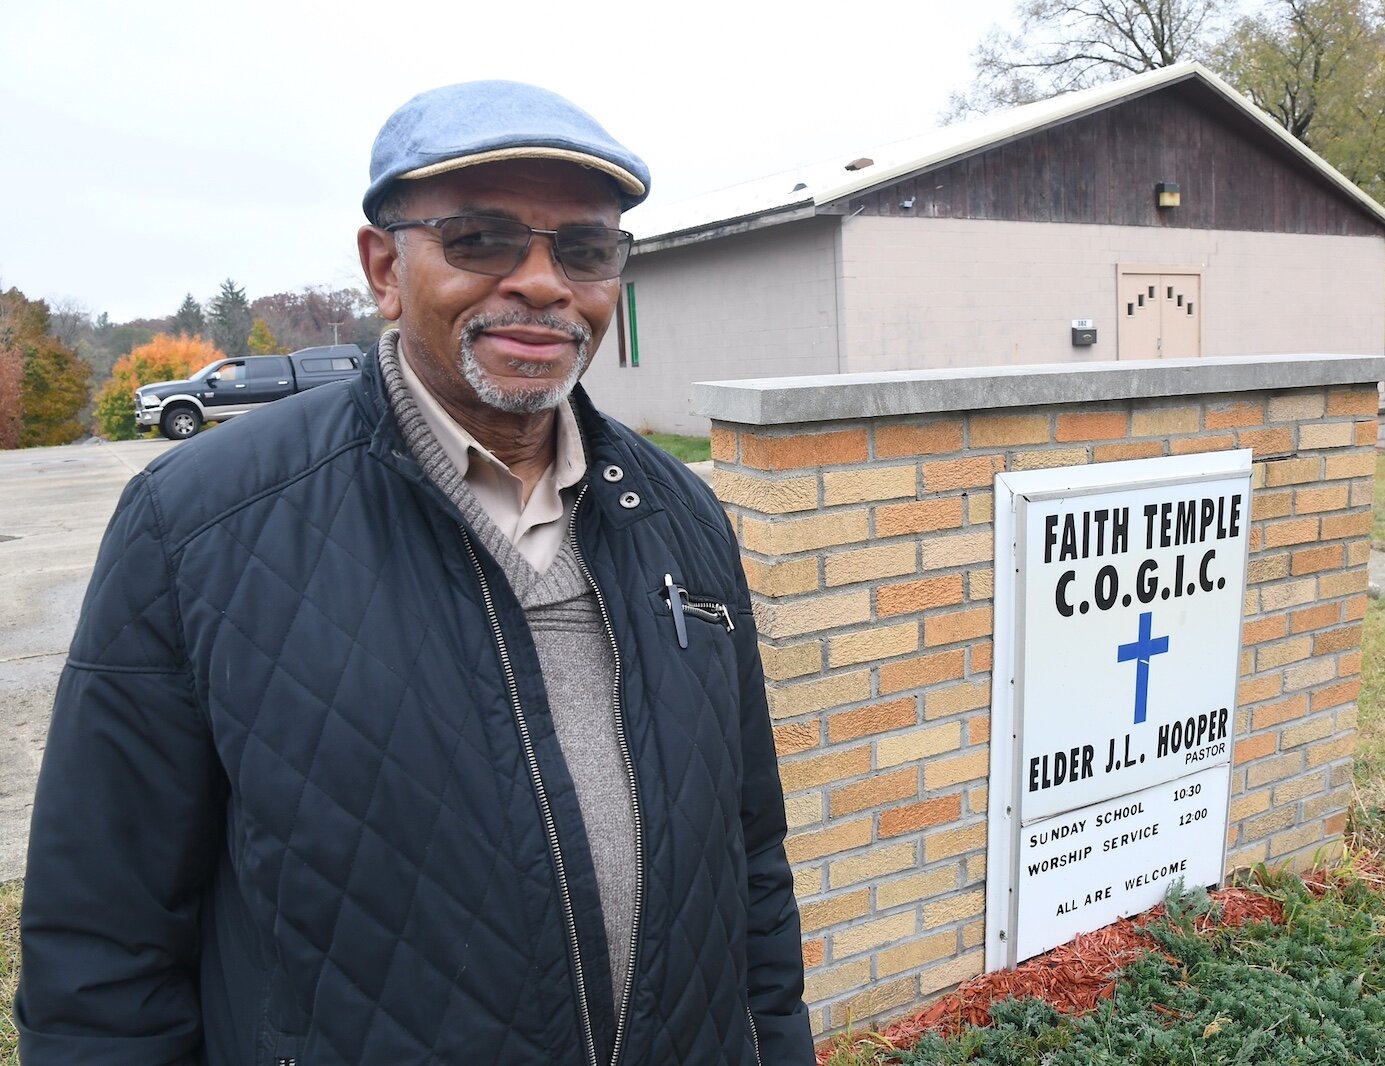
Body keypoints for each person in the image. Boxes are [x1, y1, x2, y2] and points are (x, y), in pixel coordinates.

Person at [17, 81, 815, 1065]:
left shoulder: (680, 518)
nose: (541, 282)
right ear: (383, 268)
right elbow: (103, 949)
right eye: (480, 238)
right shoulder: (198, 528)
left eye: (584, 247)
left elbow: (750, 868)